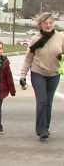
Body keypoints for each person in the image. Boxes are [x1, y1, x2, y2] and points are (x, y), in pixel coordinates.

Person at [20, 12, 64, 141]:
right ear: (41, 25)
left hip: (54, 74)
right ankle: (42, 130)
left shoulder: (60, 37)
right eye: (45, 23)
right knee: (42, 101)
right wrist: (23, 75)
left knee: (48, 102)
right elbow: (28, 58)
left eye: (50, 23)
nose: (48, 25)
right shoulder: (36, 39)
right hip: (38, 73)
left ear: (54, 23)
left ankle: (46, 127)